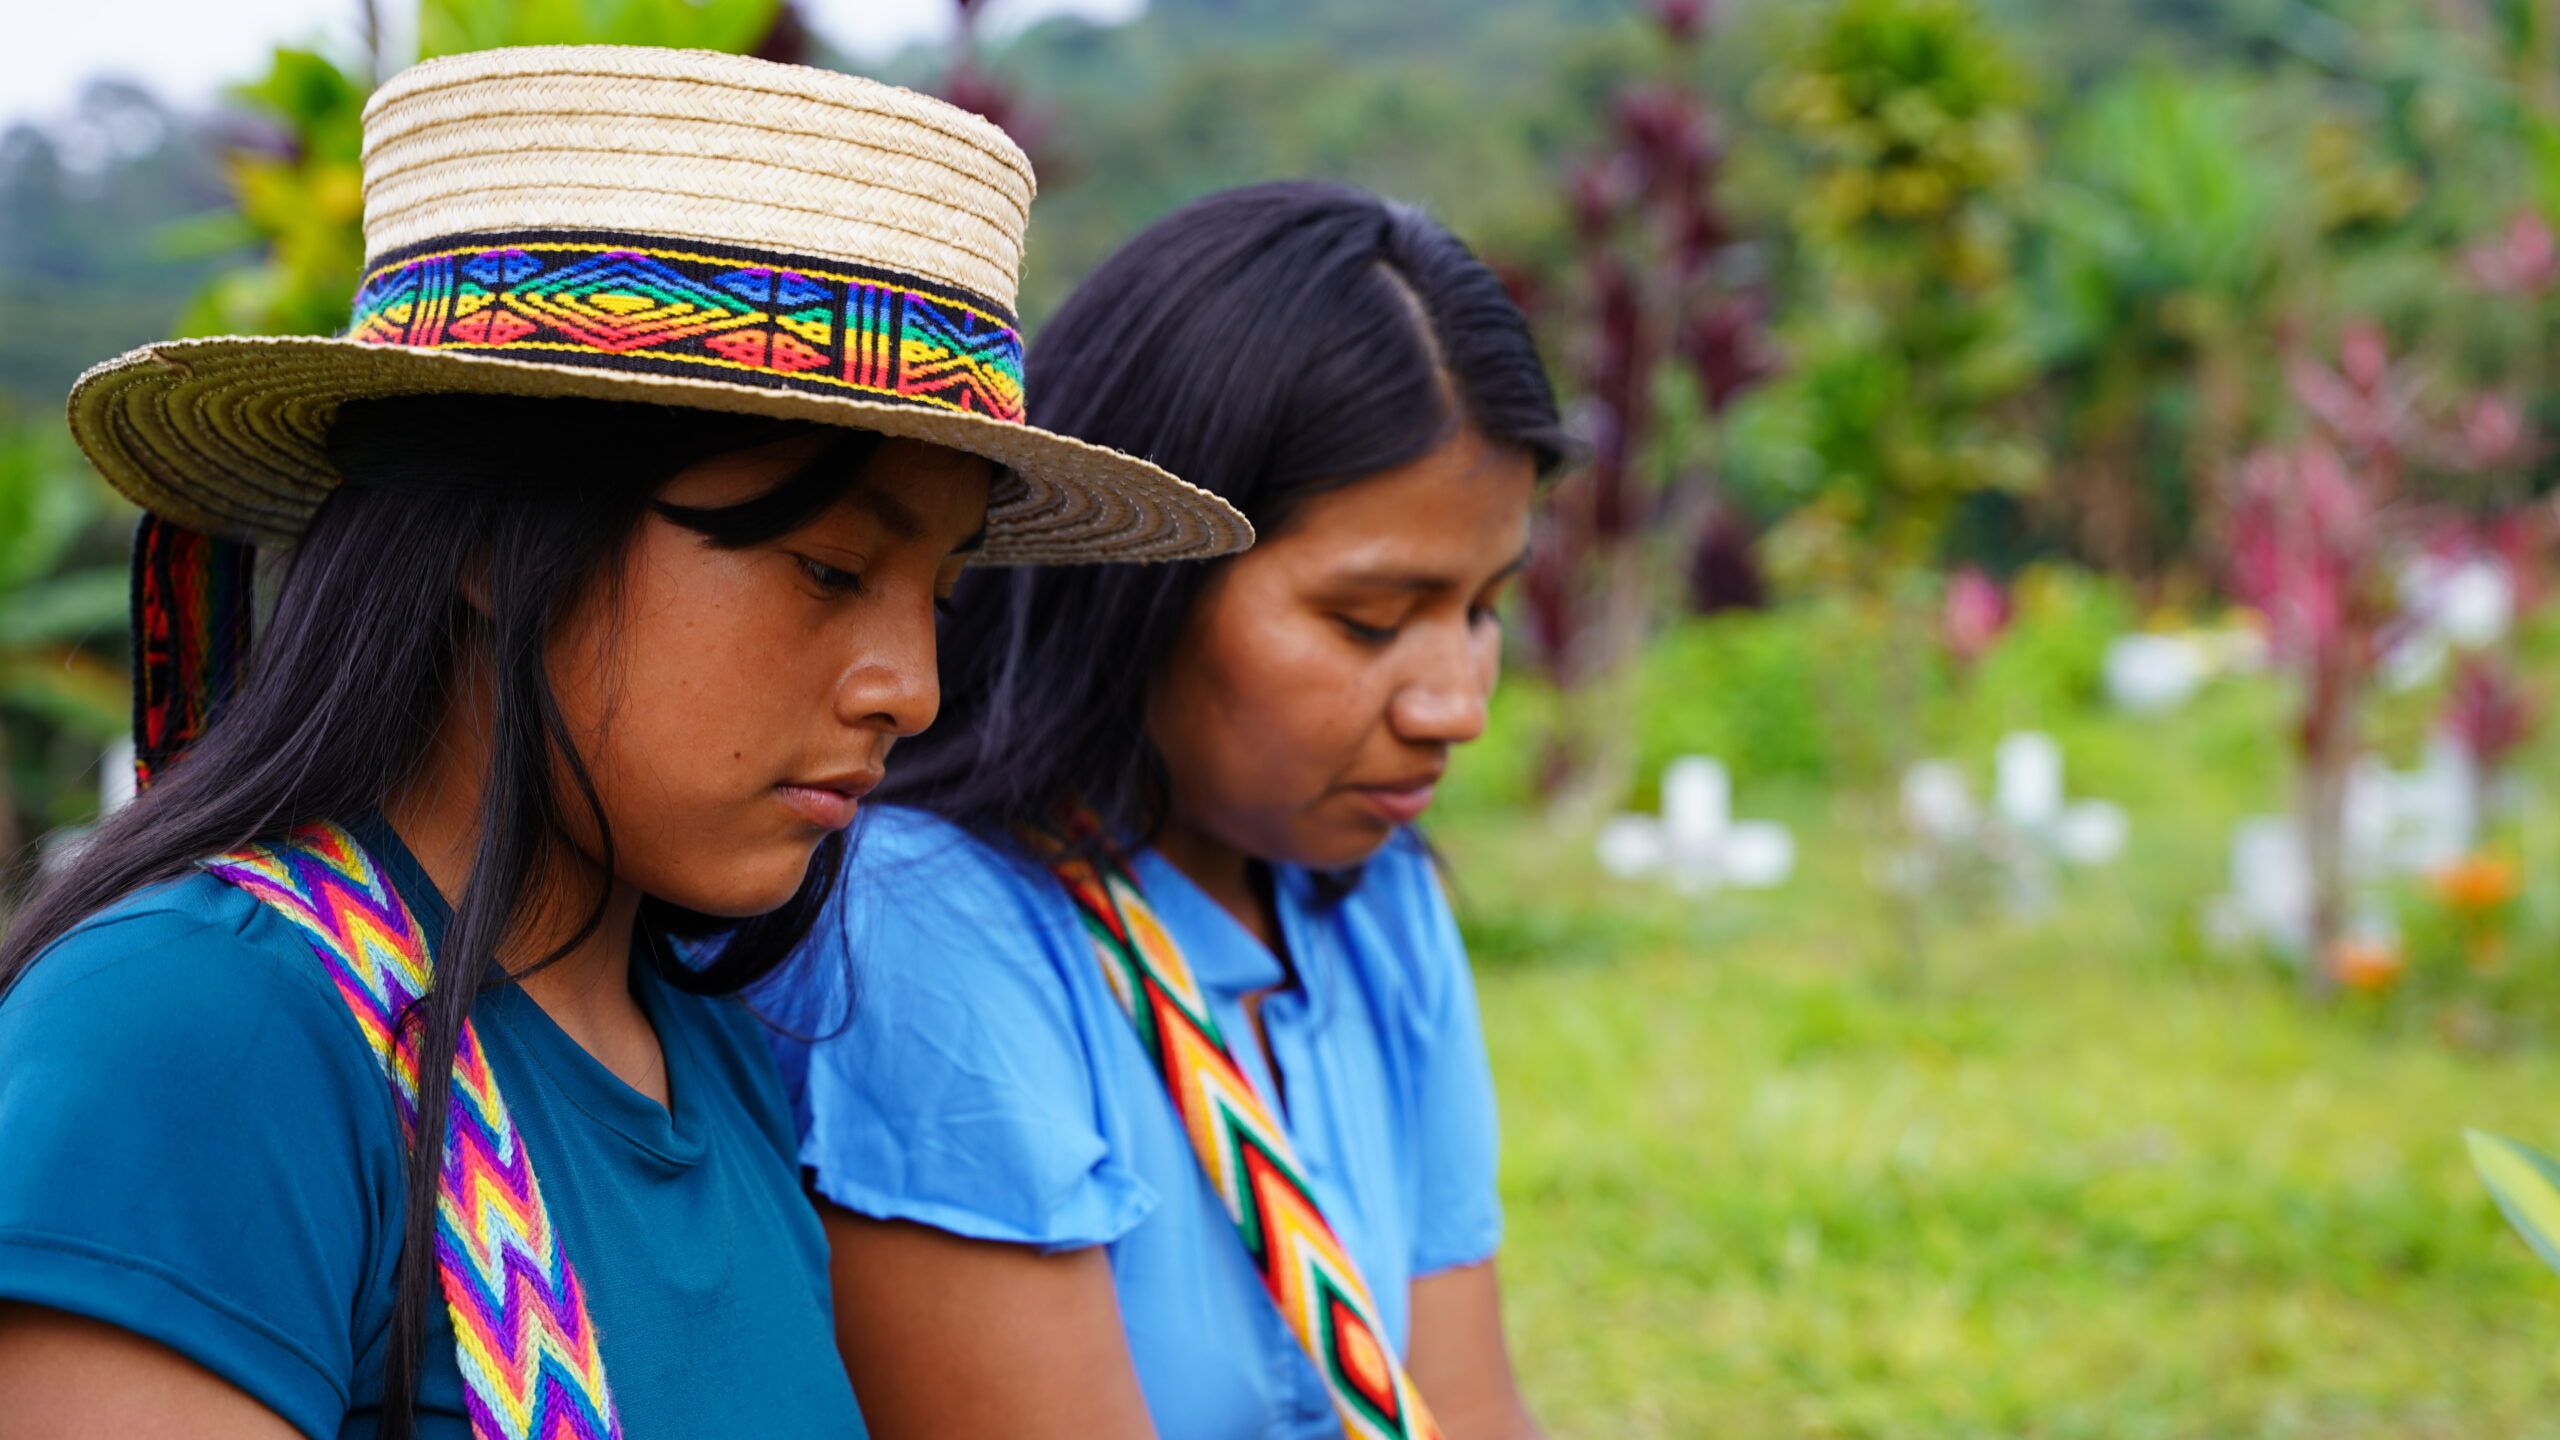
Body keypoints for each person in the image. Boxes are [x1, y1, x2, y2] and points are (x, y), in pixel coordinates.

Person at [0, 46, 1245, 1440]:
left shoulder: (695, 1031)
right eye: (830, 570)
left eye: (939, 596)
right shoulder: (200, 1038)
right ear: (491, 535)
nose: (913, 690)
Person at [771, 180, 1569, 1440]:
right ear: (1140, 574)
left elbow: (1465, 1407)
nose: (1455, 704)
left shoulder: (1377, 898)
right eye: (1367, 621)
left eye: (1481, 608)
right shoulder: (929, 932)